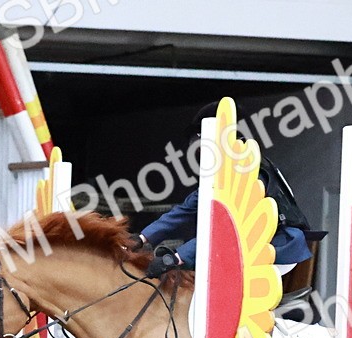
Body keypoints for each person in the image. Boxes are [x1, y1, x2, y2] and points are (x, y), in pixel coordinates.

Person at [134, 102, 312, 280]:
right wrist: (142, 238)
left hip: (278, 245)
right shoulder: (225, 170)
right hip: (257, 241)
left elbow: (228, 228)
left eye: (202, 147)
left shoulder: (246, 170)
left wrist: (176, 258)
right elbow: (185, 210)